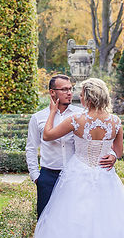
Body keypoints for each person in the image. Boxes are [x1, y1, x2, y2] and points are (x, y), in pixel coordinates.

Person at [20, 78, 124, 238]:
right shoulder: (115, 121)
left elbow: (47, 135)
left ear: (87, 96)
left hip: (77, 176)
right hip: (105, 178)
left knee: (71, 224)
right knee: (104, 226)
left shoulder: (77, 120)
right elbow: (119, 150)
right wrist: (113, 156)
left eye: (79, 93)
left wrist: (51, 111)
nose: (76, 95)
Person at [26, 74, 116, 218]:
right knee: (45, 219)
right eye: (64, 89)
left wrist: (113, 155)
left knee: (75, 220)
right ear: (52, 92)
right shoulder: (38, 118)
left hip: (75, 177)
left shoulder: (82, 115)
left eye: (71, 89)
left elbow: (96, 140)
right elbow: (31, 148)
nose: (69, 93)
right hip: (48, 175)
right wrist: (36, 176)